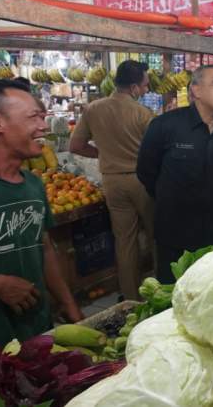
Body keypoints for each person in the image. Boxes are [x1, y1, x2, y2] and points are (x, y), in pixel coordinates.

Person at [0, 80, 82, 361]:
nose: (43, 126)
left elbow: (45, 248)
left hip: (35, 330)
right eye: (33, 117)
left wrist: (68, 304)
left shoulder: (33, 184)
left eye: (42, 116)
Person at [137, 65, 213, 284]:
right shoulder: (164, 126)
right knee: (174, 295)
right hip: (177, 232)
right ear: (195, 90)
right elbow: (146, 172)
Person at [69, 60, 155, 301]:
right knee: (155, 235)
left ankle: (129, 297)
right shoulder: (143, 114)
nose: (146, 90)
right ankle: (161, 288)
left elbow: (75, 145)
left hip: (112, 183)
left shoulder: (93, 109)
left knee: (124, 242)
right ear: (134, 87)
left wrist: (102, 153)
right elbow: (156, 151)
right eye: (145, 86)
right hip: (142, 181)